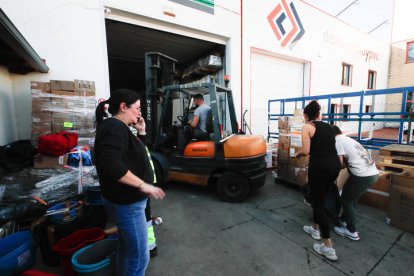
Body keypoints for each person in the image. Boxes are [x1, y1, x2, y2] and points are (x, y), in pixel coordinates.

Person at [94, 89, 165, 276]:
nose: (139, 112)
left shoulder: (118, 127)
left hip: (127, 203)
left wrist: (141, 133)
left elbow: (134, 155)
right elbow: (110, 163)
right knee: (140, 257)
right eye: (137, 108)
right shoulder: (115, 127)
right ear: (123, 107)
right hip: (128, 205)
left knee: (126, 249)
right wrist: (144, 185)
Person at [294, 100, 341, 261]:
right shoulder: (328, 126)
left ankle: (328, 247)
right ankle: (315, 228)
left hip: (319, 168)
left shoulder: (307, 126)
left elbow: (306, 151)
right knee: (320, 197)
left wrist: (298, 154)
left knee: (317, 204)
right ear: (319, 114)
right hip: (334, 167)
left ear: (306, 115)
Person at [332, 125, 379, 241]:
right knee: (352, 198)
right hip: (373, 173)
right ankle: (344, 220)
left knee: (346, 200)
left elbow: (340, 164)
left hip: (362, 175)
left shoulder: (337, 141)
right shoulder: (349, 139)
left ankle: (351, 231)